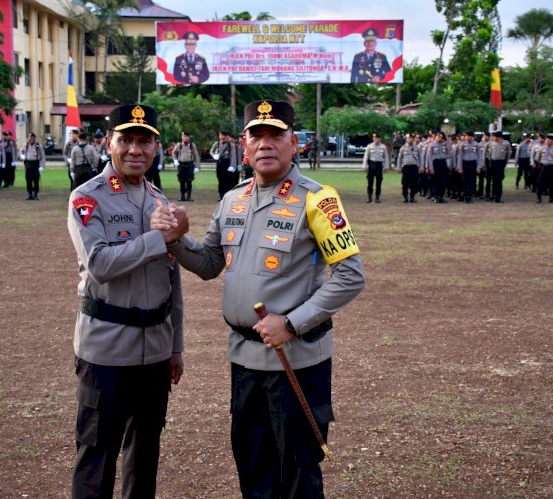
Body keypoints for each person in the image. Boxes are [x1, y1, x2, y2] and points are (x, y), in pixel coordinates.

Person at [151, 100, 365, 498]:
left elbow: (350, 276)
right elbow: (210, 262)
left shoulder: (318, 199)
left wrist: (292, 322)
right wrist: (173, 239)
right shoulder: (232, 199)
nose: (265, 144)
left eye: (275, 135)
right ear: (244, 147)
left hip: (296, 360)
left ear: (294, 143)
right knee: (252, 461)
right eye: (256, 135)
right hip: (244, 361)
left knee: (297, 468)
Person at [67, 103, 184, 498]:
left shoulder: (158, 199)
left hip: (154, 351)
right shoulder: (88, 198)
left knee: (145, 455)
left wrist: (175, 347)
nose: (135, 150)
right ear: (108, 143)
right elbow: (100, 263)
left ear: (156, 148)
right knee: (96, 454)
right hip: (106, 350)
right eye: (126, 140)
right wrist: (157, 240)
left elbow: (174, 282)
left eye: (144, 141)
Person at [172, 131, 200, 201]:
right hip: (181, 165)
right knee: (181, 181)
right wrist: (175, 160)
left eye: (186, 136)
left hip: (189, 165)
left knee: (189, 180)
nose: (185, 138)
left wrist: (197, 166)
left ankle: (189, 196)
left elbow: (196, 155)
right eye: (183, 136)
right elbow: (174, 153)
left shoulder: (192, 145)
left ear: (189, 137)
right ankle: (182, 196)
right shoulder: (179, 145)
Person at [455, 131, 482, 204]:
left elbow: (479, 156)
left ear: (472, 137)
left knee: (472, 180)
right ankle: (465, 196)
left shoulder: (476, 145)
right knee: (465, 181)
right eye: (466, 136)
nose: (468, 138)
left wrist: (479, 166)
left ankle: (470, 196)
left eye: (469, 136)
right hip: (465, 163)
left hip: (473, 163)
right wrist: (459, 167)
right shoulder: (462, 145)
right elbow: (459, 156)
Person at [362, 132, 390, 203]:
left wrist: (386, 166)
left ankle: (377, 197)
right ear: (373, 138)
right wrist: (365, 166)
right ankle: (369, 197)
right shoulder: (369, 146)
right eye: (374, 138)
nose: (376, 139)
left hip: (379, 165)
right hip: (371, 165)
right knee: (370, 182)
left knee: (379, 182)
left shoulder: (383, 147)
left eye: (377, 138)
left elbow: (386, 157)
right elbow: (366, 156)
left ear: (380, 139)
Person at [488, 131, 511, 203]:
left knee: (499, 179)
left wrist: (505, 162)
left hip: (501, 162)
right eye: (493, 137)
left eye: (495, 137)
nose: (494, 138)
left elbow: (509, 153)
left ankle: (499, 196)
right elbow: (489, 153)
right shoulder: (491, 143)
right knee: (493, 179)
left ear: (500, 137)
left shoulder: (506, 143)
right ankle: (493, 195)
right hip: (493, 162)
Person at [427, 131, 451, 203]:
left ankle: (441, 196)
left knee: (443, 181)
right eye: (438, 137)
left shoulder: (445, 144)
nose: (439, 138)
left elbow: (449, 153)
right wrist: (431, 167)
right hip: (435, 163)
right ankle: (436, 196)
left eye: (441, 137)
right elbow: (429, 157)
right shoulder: (432, 145)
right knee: (436, 181)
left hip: (443, 163)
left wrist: (446, 140)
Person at [396, 133, 421, 203]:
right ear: (406, 139)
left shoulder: (417, 148)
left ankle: (412, 197)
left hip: (414, 167)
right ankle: (405, 197)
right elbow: (399, 158)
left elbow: (420, 158)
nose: (410, 139)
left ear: (413, 139)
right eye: (408, 138)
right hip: (406, 167)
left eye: (411, 138)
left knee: (414, 183)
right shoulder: (403, 148)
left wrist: (421, 167)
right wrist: (398, 167)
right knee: (405, 183)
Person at [536, 134, 553, 203]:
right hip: (544, 166)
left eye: (548, 140)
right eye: (546, 140)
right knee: (540, 182)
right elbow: (538, 158)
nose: (547, 141)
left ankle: (552, 197)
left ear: (552, 141)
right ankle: (539, 198)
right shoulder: (542, 148)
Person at [21, 133, 45, 200]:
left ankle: (36, 194)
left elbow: (43, 156)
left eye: (32, 137)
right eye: (29, 137)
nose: (30, 139)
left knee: (36, 180)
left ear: (34, 138)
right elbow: (21, 151)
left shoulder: (38, 146)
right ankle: (30, 194)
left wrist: (42, 166)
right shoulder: (25, 145)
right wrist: (22, 156)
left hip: (36, 163)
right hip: (28, 163)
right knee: (28, 179)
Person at [215, 130, 238, 200]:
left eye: (222, 135)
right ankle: (221, 195)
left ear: (226, 136)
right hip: (220, 163)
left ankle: (227, 195)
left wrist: (232, 165)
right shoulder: (217, 144)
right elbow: (211, 151)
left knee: (227, 180)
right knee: (220, 179)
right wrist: (214, 155)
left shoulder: (231, 145)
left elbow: (233, 155)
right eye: (220, 135)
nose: (221, 137)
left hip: (227, 163)